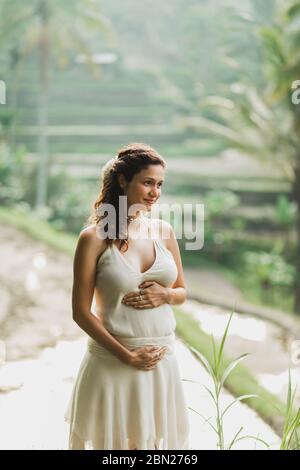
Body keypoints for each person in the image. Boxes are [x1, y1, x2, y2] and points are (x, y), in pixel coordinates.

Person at [64, 142, 190, 450]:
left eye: (159, 184)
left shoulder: (164, 231)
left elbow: (183, 292)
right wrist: (127, 356)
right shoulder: (93, 239)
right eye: (148, 182)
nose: (155, 192)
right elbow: (80, 312)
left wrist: (165, 295)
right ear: (123, 181)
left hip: (161, 364)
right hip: (114, 364)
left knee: (154, 450)